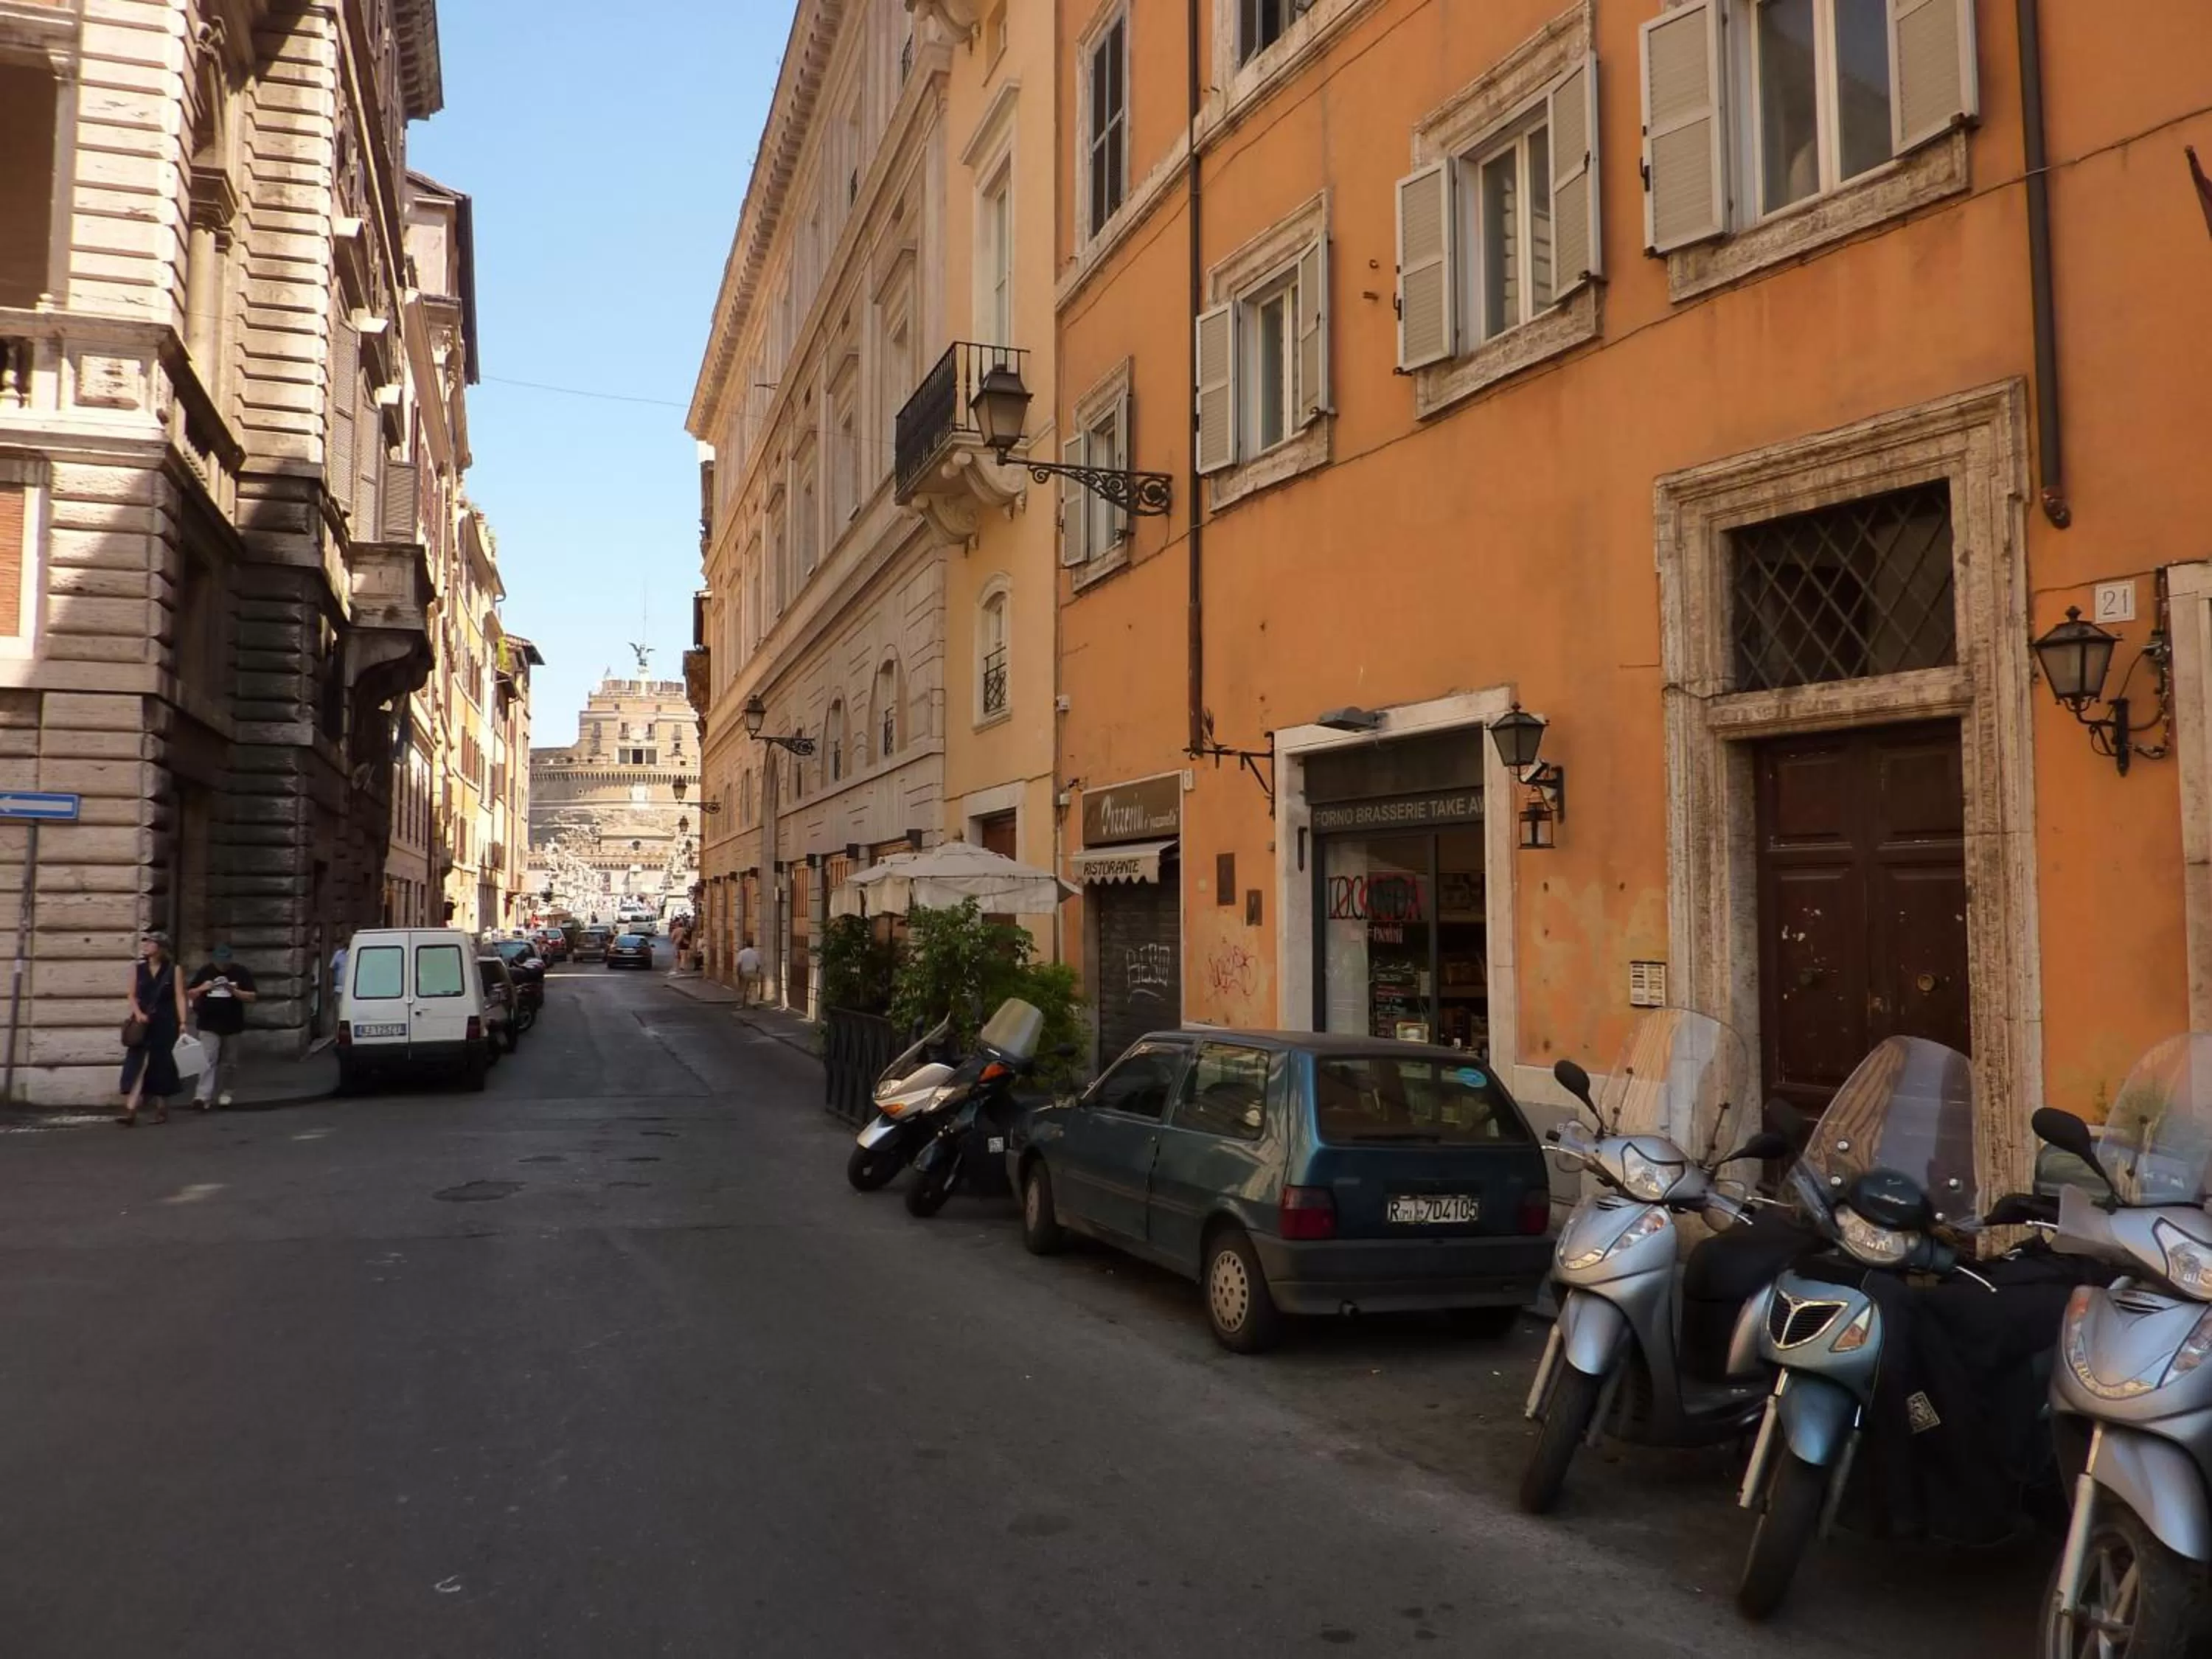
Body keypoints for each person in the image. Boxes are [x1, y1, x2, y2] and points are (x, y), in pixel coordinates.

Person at [118, 931, 187, 1127]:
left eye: (151, 942)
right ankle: (130, 1110)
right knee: (137, 1062)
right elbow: (131, 995)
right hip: (143, 1021)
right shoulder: (137, 969)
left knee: (162, 1063)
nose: (146, 945)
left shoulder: (173, 970)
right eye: (146, 942)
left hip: (166, 1021)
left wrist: (183, 1022)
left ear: (161, 948)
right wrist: (138, 1013)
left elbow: (180, 996)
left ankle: (161, 1107)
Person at [186, 942, 258, 1110]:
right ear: (214, 960)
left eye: (226, 962)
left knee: (230, 1063)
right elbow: (190, 993)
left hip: (233, 1025)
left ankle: (227, 1091)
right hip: (208, 1023)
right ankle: (202, 1096)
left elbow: (252, 996)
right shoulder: (205, 972)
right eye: (220, 962)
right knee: (207, 1060)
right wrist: (203, 987)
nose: (223, 965)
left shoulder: (241, 972)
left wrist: (232, 990)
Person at [735, 937, 762, 1007]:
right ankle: (754, 1003)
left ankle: (742, 1004)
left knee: (743, 989)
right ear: (753, 945)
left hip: (744, 973)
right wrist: (756, 972)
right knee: (754, 989)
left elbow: (739, 964)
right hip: (753, 972)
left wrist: (738, 973)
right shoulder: (755, 953)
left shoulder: (742, 953)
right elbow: (759, 965)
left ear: (746, 944)